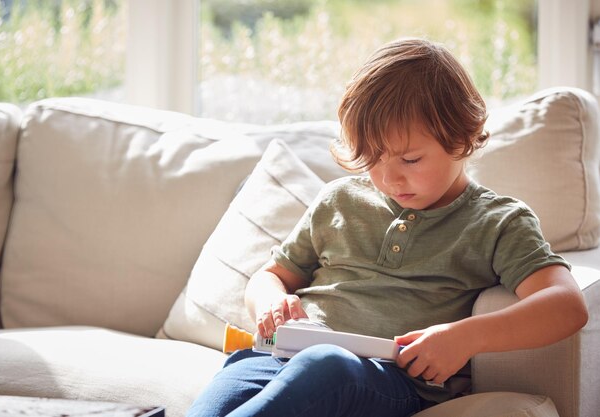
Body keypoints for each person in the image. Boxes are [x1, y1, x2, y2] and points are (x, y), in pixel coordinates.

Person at [186, 38, 588, 417]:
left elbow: (566, 306)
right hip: (275, 356)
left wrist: (467, 337)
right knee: (225, 393)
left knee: (326, 365)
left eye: (410, 160)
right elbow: (269, 276)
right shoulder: (338, 200)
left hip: (386, 378)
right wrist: (271, 300)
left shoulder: (497, 221)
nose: (389, 179)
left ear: (463, 138)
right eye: (372, 160)